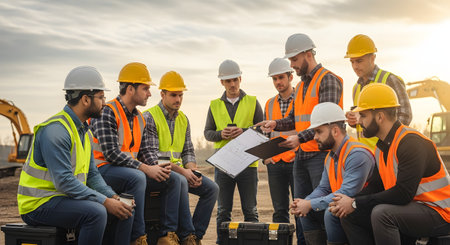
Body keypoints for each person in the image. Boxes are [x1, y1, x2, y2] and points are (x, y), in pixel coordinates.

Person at [18, 66, 134, 245]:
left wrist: (113, 198)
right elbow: (64, 181)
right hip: (38, 204)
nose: (104, 102)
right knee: (96, 213)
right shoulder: (56, 131)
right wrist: (104, 201)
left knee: (123, 209)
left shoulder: (84, 132)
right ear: (86, 99)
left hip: (63, 199)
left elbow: (93, 175)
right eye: (101, 97)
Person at [329, 83, 450, 245]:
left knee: (382, 214)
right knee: (350, 214)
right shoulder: (382, 146)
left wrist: (355, 203)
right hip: (413, 210)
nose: (359, 122)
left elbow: (403, 193)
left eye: (363, 115)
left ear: (380, 117)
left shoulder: (411, 143)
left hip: (440, 213)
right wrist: (349, 201)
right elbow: (376, 186)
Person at [258, 33, 343, 244]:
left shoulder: (328, 80)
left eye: (294, 60)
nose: (292, 65)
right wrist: (276, 124)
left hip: (321, 156)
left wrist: (299, 138)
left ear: (307, 55)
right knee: (302, 210)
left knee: (323, 209)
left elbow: (328, 123)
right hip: (303, 156)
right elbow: (295, 119)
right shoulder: (303, 86)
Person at [90, 62, 179, 245]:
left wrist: (158, 168)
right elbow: (111, 153)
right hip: (101, 169)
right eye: (145, 88)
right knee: (137, 178)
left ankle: (170, 236)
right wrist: (146, 168)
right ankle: (137, 238)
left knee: (174, 179)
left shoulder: (139, 117)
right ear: (130, 89)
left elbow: (145, 151)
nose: (149, 93)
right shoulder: (107, 111)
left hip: (127, 170)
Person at [143, 71, 219, 245]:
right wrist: (184, 173)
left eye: (180, 95)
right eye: (173, 95)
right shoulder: (149, 117)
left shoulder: (183, 119)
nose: (178, 99)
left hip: (180, 172)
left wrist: (192, 171)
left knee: (212, 189)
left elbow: (188, 151)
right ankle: (179, 235)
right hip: (159, 172)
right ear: (162, 95)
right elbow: (153, 158)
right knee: (181, 180)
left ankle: (195, 236)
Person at [290, 102, 374, 245]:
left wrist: (310, 203)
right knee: (306, 212)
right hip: (344, 206)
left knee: (331, 212)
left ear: (335, 131)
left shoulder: (357, 154)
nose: (315, 137)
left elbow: (346, 192)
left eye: (319, 131)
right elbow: (324, 188)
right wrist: (304, 203)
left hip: (364, 208)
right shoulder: (331, 156)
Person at [204, 59, 264, 244]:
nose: (232, 84)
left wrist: (244, 131)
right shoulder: (214, 105)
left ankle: (252, 242)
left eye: (235, 80)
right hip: (223, 165)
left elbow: (263, 130)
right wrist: (221, 134)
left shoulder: (253, 102)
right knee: (223, 210)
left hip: (248, 164)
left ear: (240, 79)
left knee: (250, 210)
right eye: (228, 80)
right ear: (222, 82)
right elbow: (208, 133)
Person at [344, 34, 412, 150]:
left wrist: (388, 143)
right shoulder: (356, 88)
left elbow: (405, 115)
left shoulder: (389, 80)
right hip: (366, 154)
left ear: (372, 58)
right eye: (352, 62)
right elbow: (366, 120)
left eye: (359, 61)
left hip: (387, 150)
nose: (355, 66)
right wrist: (354, 121)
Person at [264, 58, 296, 223]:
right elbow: (265, 134)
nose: (278, 82)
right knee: (279, 211)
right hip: (275, 163)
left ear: (290, 77)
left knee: (299, 209)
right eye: (275, 79)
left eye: (281, 77)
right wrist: (266, 158)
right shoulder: (269, 104)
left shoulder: (301, 99)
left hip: (296, 160)